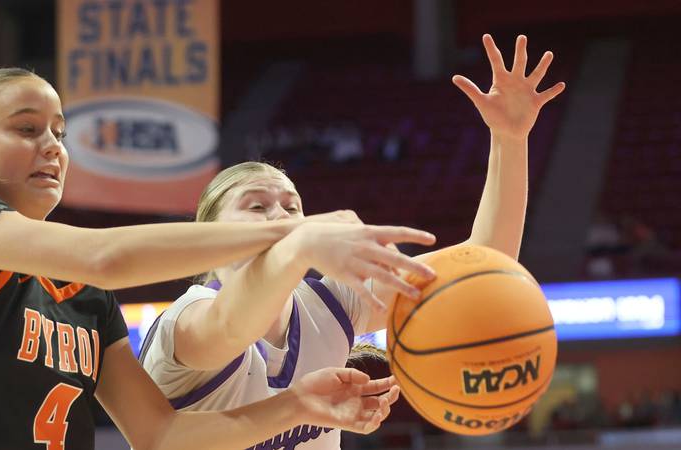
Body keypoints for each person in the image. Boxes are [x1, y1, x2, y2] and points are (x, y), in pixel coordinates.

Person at [0, 68, 436, 450]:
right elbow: (107, 255)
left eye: (59, 131)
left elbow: (161, 436)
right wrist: (297, 234)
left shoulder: (83, 297)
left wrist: (298, 408)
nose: (52, 145)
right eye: (27, 129)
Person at [140, 34, 566, 449]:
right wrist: (300, 247)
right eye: (256, 206)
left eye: (292, 207)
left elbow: (485, 270)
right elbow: (234, 325)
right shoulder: (188, 320)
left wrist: (510, 140)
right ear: (210, 235)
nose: (280, 217)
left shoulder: (332, 304)